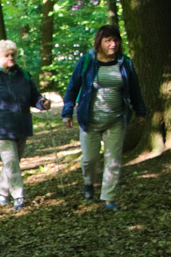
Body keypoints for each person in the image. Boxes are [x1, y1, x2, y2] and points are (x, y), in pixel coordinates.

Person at [61, 25, 147, 210]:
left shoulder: (125, 63)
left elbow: (134, 89)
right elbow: (72, 88)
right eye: (107, 40)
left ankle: (109, 198)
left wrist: (140, 111)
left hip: (116, 120)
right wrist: (67, 112)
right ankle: (89, 182)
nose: (113, 44)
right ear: (99, 42)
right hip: (89, 120)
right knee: (89, 159)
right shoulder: (87, 61)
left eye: (115, 40)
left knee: (113, 159)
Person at [0, 40, 51, 211]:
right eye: (7, 55)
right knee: (11, 162)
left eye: (13, 54)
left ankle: (1, 193)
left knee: (12, 163)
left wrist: (42, 103)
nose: (11, 58)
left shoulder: (23, 74)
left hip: (22, 126)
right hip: (1, 127)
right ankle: (19, 196)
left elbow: (35, 97)